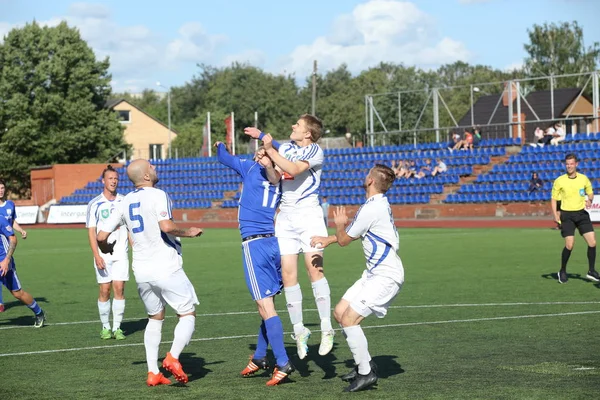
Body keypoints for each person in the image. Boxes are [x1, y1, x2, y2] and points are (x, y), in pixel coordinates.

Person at [96, 159, 203, 387]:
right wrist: (189, 232)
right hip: (165, 265)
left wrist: (106, 249)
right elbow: (167, 227)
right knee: (187, 313)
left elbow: (100, 237)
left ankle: (153, 372)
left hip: (142, 271)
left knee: (155, 319)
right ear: (146, 176)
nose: (155, 168)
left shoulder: (124, 203)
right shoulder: (157, 194)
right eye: (151, 167)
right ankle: (173, 357)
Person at [244, 115, 335, 360]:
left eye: (298, 124)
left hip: (308, 216)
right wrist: (267, 161)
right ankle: (299, 330)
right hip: (285, 216)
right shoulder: (285, 148)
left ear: (308, 133)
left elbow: (294, 169)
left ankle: (326, 328)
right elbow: (276, 178)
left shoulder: (315, 150)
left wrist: (267, 144)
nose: (293, 126)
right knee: (287, 274)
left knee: (314, 269)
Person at [309, 164, 404, 392]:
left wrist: (338, 227)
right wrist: (329, 238)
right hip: (373, 274)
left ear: (371, 180)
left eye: (367, 173)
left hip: (386, 276)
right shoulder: (376, 204)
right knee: (340, 313)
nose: (365, 176)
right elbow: (352, 234)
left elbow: (345, 239)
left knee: (350, 319)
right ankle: (366, 363)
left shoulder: (372, 208)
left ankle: (366, 374)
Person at [216, 142, 294, 386]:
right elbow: (273, 173)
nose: (259, 153)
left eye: (264, 151)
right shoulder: (279, 177)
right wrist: (270, 152)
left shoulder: (252, 168)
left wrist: (220, 146)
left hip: (256, 245)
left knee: (265, 305)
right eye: (259, 151)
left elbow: (224, 158)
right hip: (273, 244)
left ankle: (282, 361)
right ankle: (260, 356)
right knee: (267, 304)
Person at [85, 165, 129, 340]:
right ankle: (105, 327)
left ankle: (117, 328)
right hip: (103, 254)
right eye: (110, 178)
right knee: (105, 290)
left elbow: (130, 228)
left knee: (119, 288)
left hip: (121, 253)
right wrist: (96, 255)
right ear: (103, 181)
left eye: (116, 178)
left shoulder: (124, 201)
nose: (113, 181)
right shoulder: (95, 204)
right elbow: (91, 231)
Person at [551, 154, 598, 284]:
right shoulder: (560, 180)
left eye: (571, 164)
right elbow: (554, 198)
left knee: (592, 243)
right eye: (567, 164)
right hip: (567, 215)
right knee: (569, 245)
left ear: (576, 164)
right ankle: (562, 270)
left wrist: (590, 199)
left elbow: (590, 192)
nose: (569, 166)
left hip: (581, 214)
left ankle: (591, 271)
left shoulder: (583, 179)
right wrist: (555, 214)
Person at [0, 215, 45, 327]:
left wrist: (6, 260)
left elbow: (13, 239)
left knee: (17, 293)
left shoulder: (0, 219)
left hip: (3, 262)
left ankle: (39, 313)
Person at [0, 179, 28, 313]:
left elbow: (12, 222)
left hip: (6, 247)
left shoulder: (10, 205)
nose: (1, 190)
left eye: (2, 188)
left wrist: (21, 230)